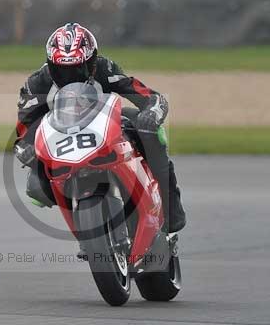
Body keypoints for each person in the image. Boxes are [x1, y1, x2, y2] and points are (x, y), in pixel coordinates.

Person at [14, 23, 186, 232]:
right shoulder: (36, 84)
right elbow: (23, 128)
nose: (70, 77)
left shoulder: (104, 68)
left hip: (105, 125)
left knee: (150, 134)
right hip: (59, 136)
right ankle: (81, 223)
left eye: (78, 68)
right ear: (50, 64)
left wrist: (151, 113)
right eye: (61, 70)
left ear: (92, 61)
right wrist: (27, 149)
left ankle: (170, 210)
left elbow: (149, 96)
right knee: (35, 187)